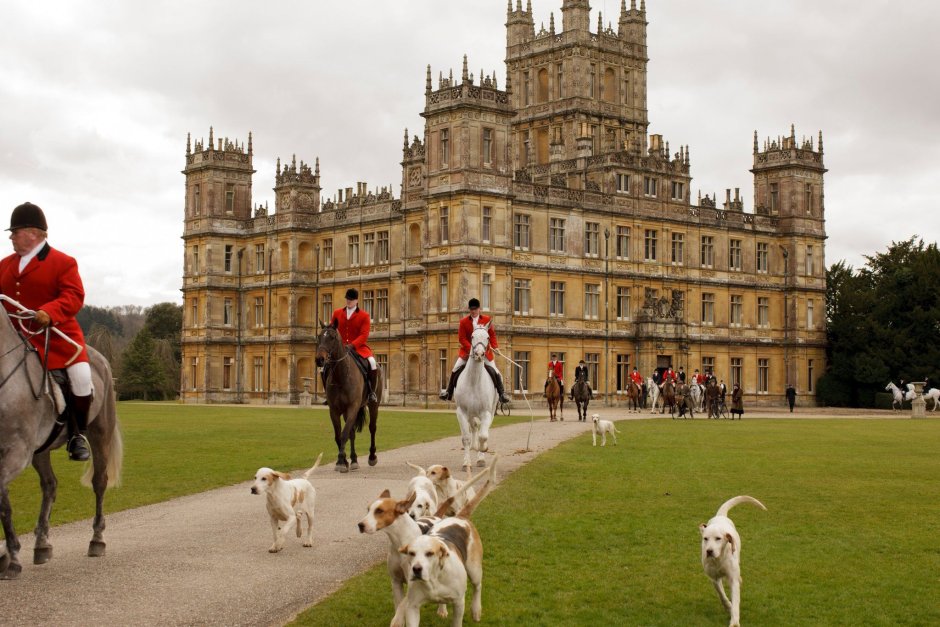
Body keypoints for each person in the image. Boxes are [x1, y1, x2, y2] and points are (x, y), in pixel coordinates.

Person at [0, 202, 92, 461]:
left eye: (14, 232)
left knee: (82, 376)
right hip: (15, 339)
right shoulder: (4, 265)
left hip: (57, 337)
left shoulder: (63, 262)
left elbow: (74, 295)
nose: (11, 237)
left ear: (33, 233)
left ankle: (78, 435)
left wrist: (49, 312)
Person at [439, 298, 510, 403]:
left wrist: (495, 347)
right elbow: (462, 339)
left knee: (495, 371)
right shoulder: (463, 322)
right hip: (467, 353)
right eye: (471, 309)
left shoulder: (487, 320)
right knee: (455, 369)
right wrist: (473, 350)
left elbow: (492, 335)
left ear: (479, 309)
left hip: (485, 353)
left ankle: (502, 394)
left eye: (475, 309)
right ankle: (448, 392)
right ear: (469, 309)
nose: (473, 311)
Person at [327, 288, 378, 403]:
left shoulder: (364, 316)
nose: (349, 301)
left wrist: (352, 345)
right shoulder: (337, 313)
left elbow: (364, 335)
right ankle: (328, 393)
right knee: (325, 366)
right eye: (347, 299)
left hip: (359, 348)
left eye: (351, 299)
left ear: (356, 301)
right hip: (340, 348)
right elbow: (332, 330)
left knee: (372, 363)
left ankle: (371, 393)